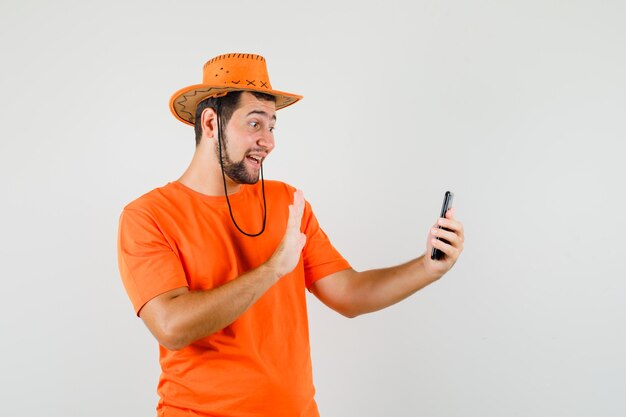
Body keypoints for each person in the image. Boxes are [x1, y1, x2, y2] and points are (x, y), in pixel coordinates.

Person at [117, 52, 464, 417]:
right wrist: (273, 269)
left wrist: (427, 268)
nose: (268, 141)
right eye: (254, 124)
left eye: (272, 126)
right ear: (210, 123)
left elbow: (349, 294)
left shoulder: (286, 202)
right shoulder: (147, 216)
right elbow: (171, 328)